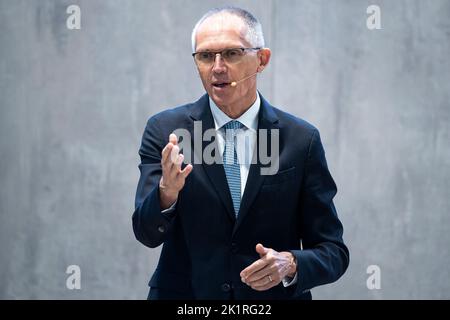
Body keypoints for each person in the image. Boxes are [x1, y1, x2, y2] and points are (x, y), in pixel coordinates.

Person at [132, 6, 349, 300]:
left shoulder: (301, 140)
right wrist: (166, 194)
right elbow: (147, 234)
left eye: (232, 54)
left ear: (262, 60)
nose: (217, 67)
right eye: (206, 56)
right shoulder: (165, 131)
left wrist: (292, 263)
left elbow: (333, 251)